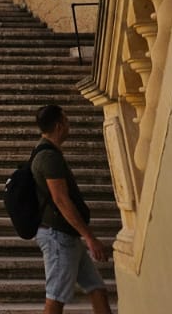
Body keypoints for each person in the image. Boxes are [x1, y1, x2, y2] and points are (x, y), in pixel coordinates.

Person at [30, 104, 112, 314]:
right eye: (66, 121)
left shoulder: (48, 152)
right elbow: (61, 199)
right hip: (58, 237)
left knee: (97, 289)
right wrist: (90, 237)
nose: (69, 125)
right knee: (55, 300)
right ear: (59, 126)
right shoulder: (48, 157)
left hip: (67, 236)